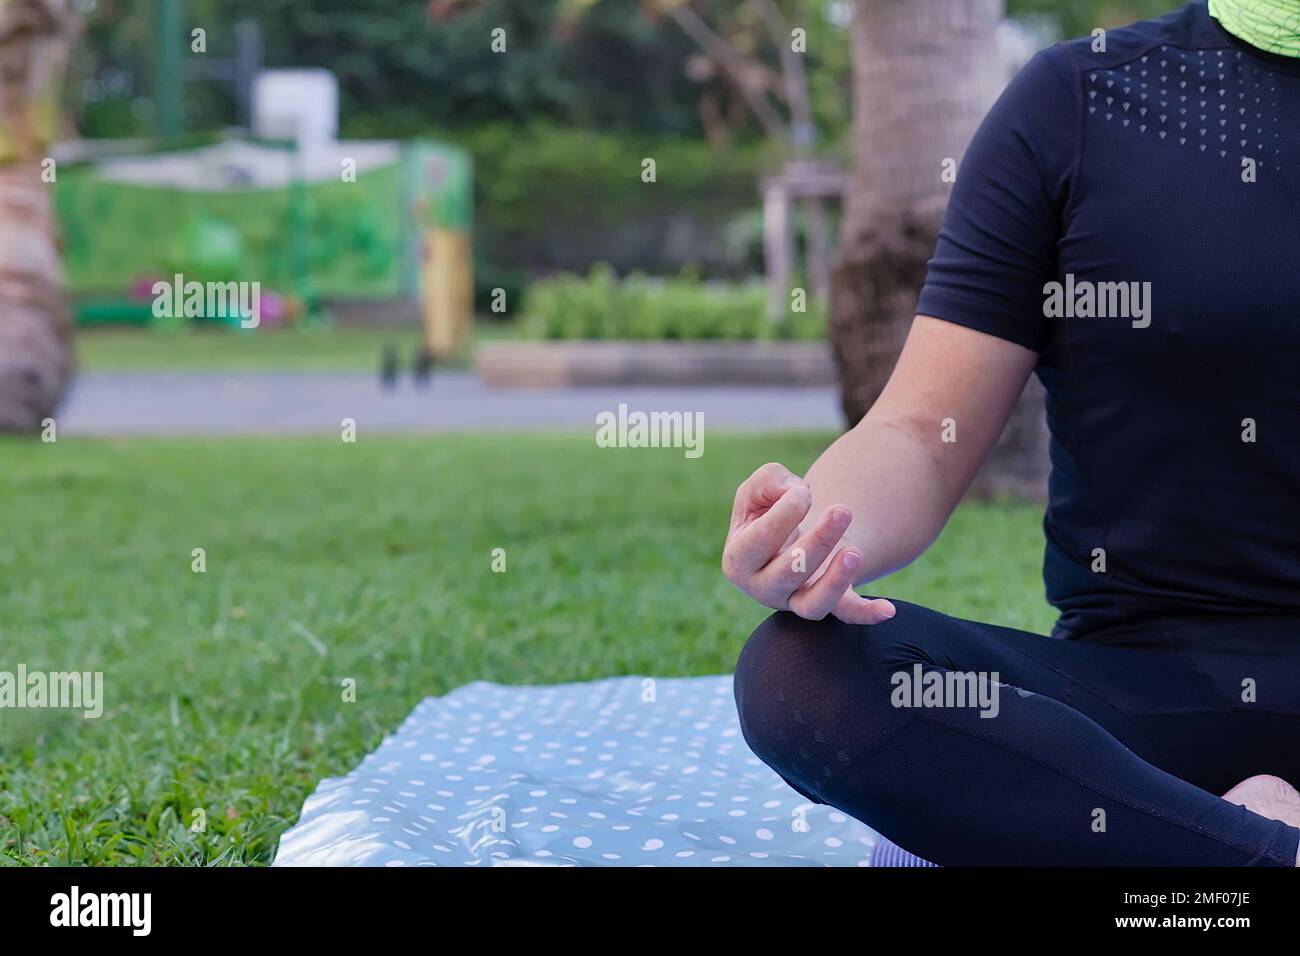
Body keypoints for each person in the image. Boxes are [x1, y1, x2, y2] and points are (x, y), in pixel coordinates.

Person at [724, 0, 1300, 866]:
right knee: (806, 677)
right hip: (1147, 706)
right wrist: (814, 531)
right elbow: (920, 431)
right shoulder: (1080, 99)